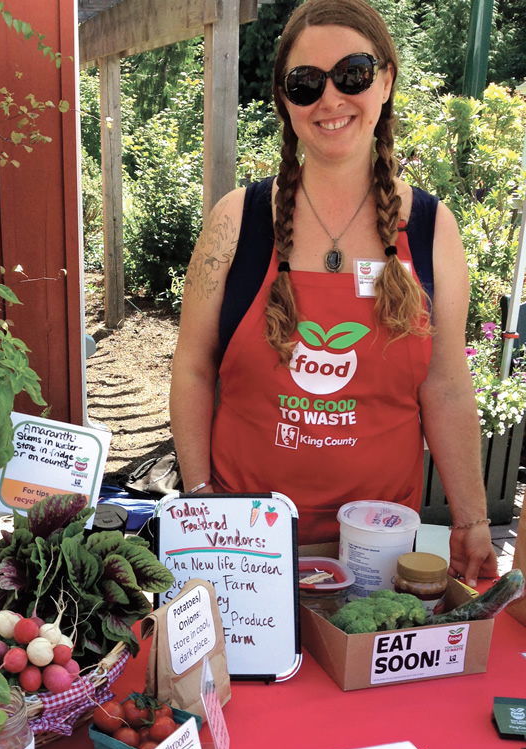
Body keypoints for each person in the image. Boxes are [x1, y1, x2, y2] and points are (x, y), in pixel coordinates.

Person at [169, 0, 498, 587]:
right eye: (305, 83)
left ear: (386, 79)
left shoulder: (430, 228)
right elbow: (193, 368)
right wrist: (202, 503)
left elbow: (446, 386)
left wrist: (472, 519)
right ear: (284, 100)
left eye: (352, 73)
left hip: (380, 552)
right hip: (244, 551)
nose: (330, 99)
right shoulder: (237, 221)